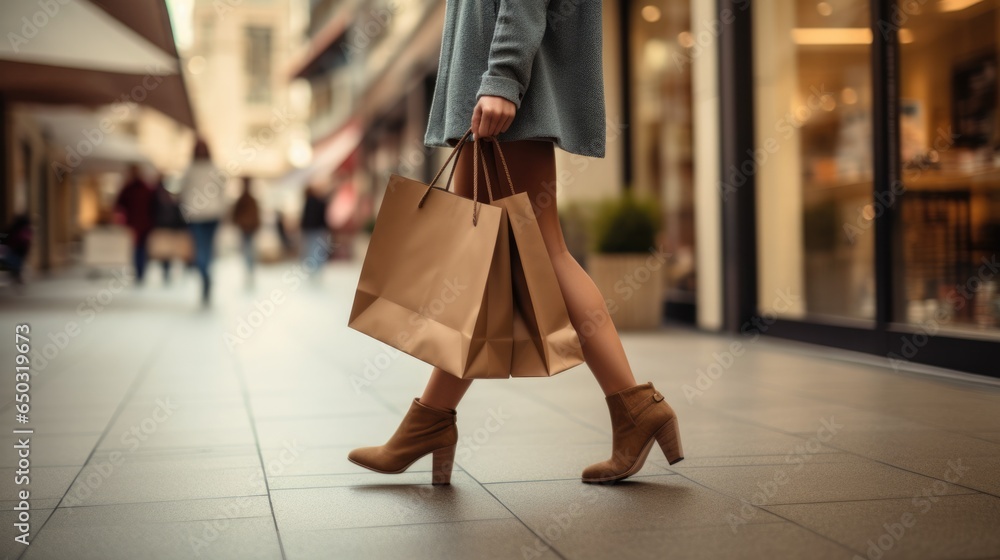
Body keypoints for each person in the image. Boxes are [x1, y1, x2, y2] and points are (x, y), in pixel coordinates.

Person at [348, 2, 683, 485]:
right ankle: (429, 421)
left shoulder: (503, 82)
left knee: (541, 257)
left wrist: (503, 78)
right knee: (481, 268)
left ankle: (633, 405)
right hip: (495, 84)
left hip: (502, 89)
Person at [178, 139, 228, 306]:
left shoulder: (193, 169)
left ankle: (205, 273)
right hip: (201, 215)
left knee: (203, 248)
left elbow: (183, 193)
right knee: (203, 248)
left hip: (207, 215)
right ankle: (206, 275)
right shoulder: (194, 169)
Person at [114, 164, 154, 284]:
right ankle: (140, 271)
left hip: (139, 223)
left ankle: (139, 272)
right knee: (141, 248)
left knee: (138, 248)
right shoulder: (144, 188)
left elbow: (119, 204)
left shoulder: (131, 188)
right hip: (143, 223)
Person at [149, 173, 186, 284]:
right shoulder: (160, 195)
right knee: (165, 251)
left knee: (166, 251)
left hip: (164, 226)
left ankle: (166, 270)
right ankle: (166, 270)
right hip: (166, 226)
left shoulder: (158, 194)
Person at [231, 176, 261, 288]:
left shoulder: (249, 200)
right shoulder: (244, 200)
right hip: (245, 229)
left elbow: (256, 215)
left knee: (249, 250)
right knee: (248, 250)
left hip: (249, 229)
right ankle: (249, 269)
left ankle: (250, 269)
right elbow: (235, 215)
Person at [299, 184, 329, 279]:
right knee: (317, 250)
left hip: (310, 230)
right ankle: (316, 269)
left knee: (311, 250)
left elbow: (305, 218)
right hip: (318, 229)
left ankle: (312, 269)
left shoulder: (308, 202)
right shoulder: (318, 202)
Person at [0, 214, 32, 285]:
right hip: (16, 252)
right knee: (16, 266)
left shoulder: (16, 229)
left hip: (14, 251)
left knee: (16, 266)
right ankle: (17, 279)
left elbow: (6, 236)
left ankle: (17, 278)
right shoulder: (24, 230)